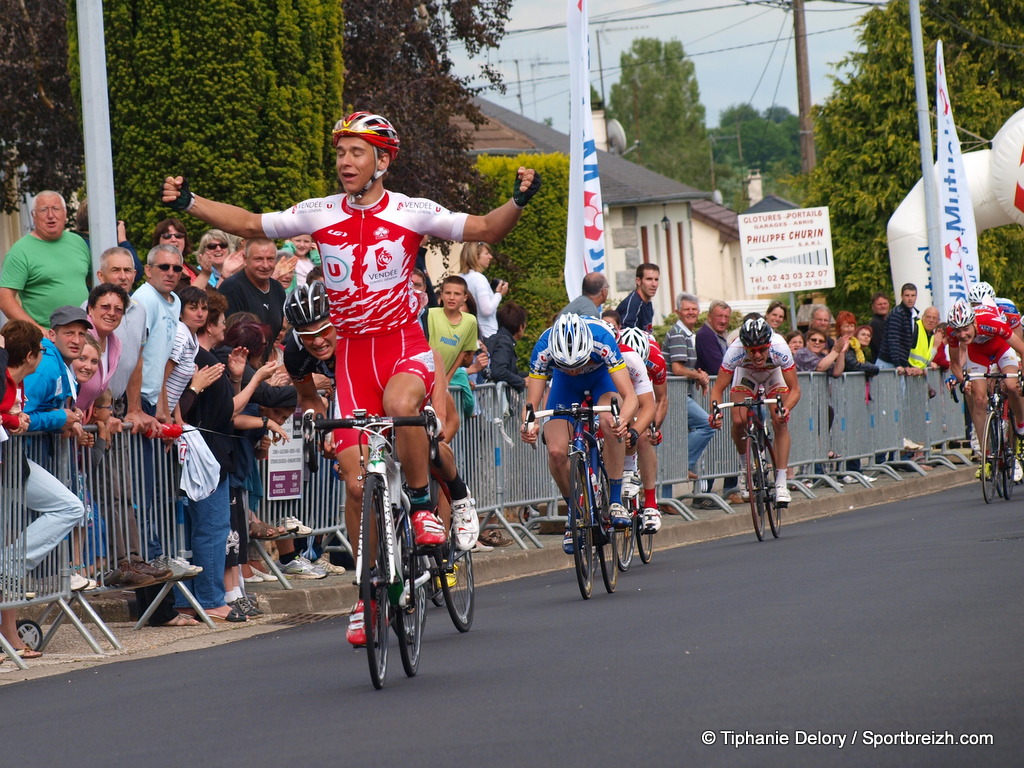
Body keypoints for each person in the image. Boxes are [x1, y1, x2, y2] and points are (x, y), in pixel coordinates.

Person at [165, 110, 541, 645]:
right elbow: (249, 224)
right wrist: (189, 203)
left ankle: (420, 506)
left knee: (403, 405)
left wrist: (520, 201)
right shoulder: (319, 213)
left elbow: (483, 228)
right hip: (352, 359)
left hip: (401, 346)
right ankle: (367, 595)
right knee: (355, 479)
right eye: (340, 152)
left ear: (382, 160)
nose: (344, 161)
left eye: (356, 152)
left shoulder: (411, 211)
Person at [0, 320, 87, 658]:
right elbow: (15, 416)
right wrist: (16, 420)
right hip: (8, 465)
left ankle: (8, 566)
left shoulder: (15, 380)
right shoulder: (6, 375)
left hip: (12, 464)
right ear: (33, 355)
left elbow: (20, 415)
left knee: (69, 506)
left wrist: (18, 419)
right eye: (43, 350)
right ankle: (7, 570)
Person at [519, 313, 639, 553]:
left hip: (601, 379)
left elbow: (630, 397)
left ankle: (615, 500)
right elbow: (531, 406)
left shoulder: (602, 340)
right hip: (564, 387)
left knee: (610, 420)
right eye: (567, 366)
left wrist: (623, 420)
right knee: (555, 450)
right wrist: (528, 426)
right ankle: (575, 510)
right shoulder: (544, 348)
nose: (574, 370)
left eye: (579, 364)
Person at [708, 316, 801, 506]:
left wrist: (786, 409)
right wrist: (715, 413)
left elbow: (795, 389)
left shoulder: (780, 347)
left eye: (761, 350)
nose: (757, 355)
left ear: (769, 345)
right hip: (746, 376)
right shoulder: (735, 350)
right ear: (745, 348)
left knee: (779, 420)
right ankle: (745, 468)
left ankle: (781, 483)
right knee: (739, 420)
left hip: (773, 375)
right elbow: (717, 389)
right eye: (752, 351)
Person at [946, 299, 1024, 464]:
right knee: (979, 399)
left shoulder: (990, 323)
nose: (962, 335)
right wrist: (964, 381)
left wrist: (1022, 374)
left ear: (974, 322)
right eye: (958, 331)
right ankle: (986, 453)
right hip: (977, 354)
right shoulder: (951, 332)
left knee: (1012, 385)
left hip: (1001, 348)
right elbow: (954, 364)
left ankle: (1020, 425)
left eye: (966, 329)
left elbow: (1022, 349)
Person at [0, 191, 92, 330]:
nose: (51, 215)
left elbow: (92, 280)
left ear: (65, 213)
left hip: (83, 333)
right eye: (43, 210)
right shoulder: (20, 251)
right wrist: (37, 330)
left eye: (56, 209)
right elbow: (4, 298)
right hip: (47, 338)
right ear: (33, 215)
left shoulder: (78, 242)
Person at [662, 292, 716, 486]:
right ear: (677, 311)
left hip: (677, 393)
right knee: (707, 424)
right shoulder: (678, 333)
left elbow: (683, 367)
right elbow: (677, 369)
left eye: (694, 309)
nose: (691, 312)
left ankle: (666, 496)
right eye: (687, 309)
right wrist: (699, 376)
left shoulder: (686, 334)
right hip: (674, 395)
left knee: (671, 442)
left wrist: (696, 374)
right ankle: (682, 464)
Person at [217, 238, 287, 359]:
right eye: (258, 259)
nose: (265, 265)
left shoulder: (277, 288)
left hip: (262, 366)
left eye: (270, 259)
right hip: (236, 366)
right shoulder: (231, 288)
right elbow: (229, 339)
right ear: (245, 259)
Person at [459, 241, 507, 339]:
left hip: (467, 332)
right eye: (486, 254)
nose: (490, 257)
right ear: (475, 257)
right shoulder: (479, 279)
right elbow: (487, 310)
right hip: (486, 334)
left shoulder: (461, 278)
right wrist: (499, 294)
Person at [483, 301, 528, 392]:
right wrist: (522, 382)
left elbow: (509, 372)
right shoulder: (504, 342)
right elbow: (499, 371)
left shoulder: (494, 339)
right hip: (494, 399)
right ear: (520, 326)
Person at [878, 284, 922, 375]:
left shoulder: (913, 315)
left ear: (916, 297)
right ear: (902, 296)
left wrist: (905, 364)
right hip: (889, 363)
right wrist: (897, 363)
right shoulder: (898, 313)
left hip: (899, 364)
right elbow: (893, 339)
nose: (910, 298)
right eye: (907, 295)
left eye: (913, 295)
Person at [616, 262, 660, 332]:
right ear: (638, 281)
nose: (654, 284)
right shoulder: (633, 304)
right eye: (649, 279)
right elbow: (626, 335)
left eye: (656, 279)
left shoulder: (648, 303)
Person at [909, 306, 941, 371]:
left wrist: (935, 347)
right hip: (908, 372)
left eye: (934, 318)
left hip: (918, 374)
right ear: (923, 317)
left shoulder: (931, 335)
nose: (931, 320)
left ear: (938, 321)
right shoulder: (915, 327)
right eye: (928, 317)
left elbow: (925, 359)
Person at [868, 292, 891, 363]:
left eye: (885, 303)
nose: (883, 306)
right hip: (883, 364)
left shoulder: (890, 321)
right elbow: (881, 347)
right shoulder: (875, 324)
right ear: (873, 307)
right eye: (879, 304)